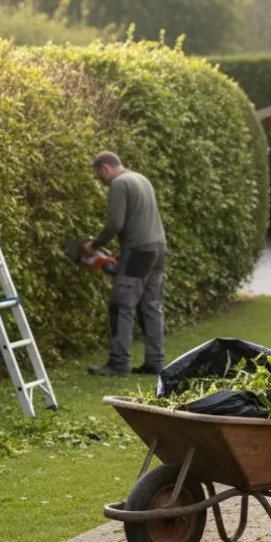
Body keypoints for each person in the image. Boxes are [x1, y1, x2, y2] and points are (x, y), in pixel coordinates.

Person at [82, 151, 168, 377]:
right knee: (151, 307)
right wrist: (124, 247)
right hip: (158, 248)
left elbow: (115, 223)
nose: (101, 180)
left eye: (100, 176)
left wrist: (95, 244)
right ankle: (155, 362)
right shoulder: (142, 179)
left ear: (105, 169)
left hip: (139, 251)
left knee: (122, 306)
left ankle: (119, 363)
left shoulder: (119, 183)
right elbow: (142, 219)